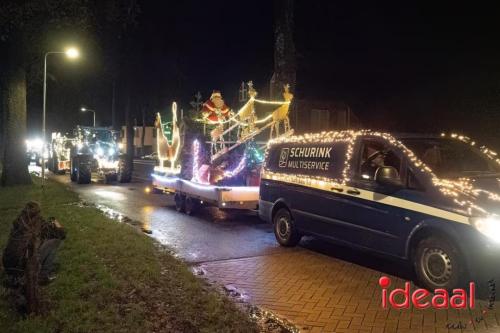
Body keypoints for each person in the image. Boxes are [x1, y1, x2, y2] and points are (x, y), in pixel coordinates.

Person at [3, 201, 66, 286]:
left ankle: (15, 277)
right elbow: (61, 235)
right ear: (37, 212)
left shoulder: (18, 222)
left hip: (8, 265)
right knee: (55, 242)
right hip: (22, 266)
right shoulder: (38, 222)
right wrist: (55, 222)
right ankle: (43, 276)